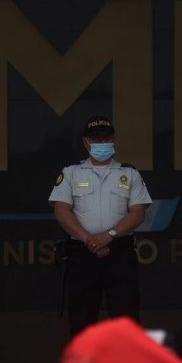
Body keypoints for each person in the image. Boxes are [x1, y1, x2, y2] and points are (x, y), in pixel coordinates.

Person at [49, 116, 152, 338]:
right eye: (96, 139)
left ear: (114, 139)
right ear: (86, 142)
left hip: (120, 251)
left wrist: (109, 236)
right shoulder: (71, 172)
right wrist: (90, 240)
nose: (101, 143)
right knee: (82, 318)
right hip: (82, 253)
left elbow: (138, 213)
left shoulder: (129, 173)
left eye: (106, 138)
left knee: (127, 317)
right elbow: (61, 211)